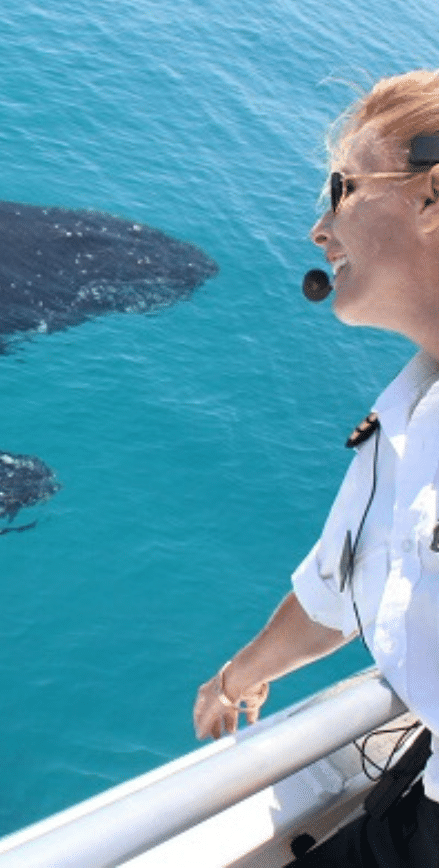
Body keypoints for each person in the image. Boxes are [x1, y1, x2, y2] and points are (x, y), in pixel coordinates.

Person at [192, 70, 439, 866]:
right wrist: (240, 677)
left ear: (433, 199)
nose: (318, 230)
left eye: (343, 187)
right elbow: (337, 592)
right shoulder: (402, 420)